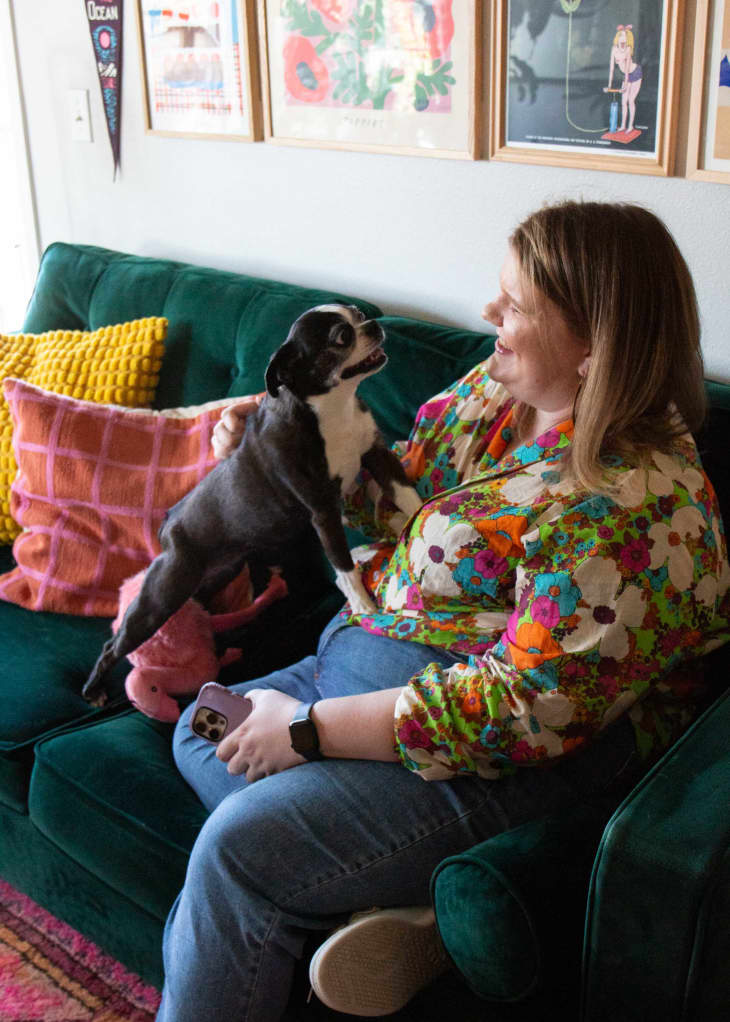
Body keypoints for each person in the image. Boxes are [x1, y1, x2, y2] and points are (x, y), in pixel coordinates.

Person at [156, 201, 729, 1022]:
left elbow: (527, 708)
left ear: (596, 343)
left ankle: (339, 868)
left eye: (518, 304)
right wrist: (284, 441)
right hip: (370, 649)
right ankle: (391, 896)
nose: (490, 313)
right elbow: (395, 495)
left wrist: (312, 732)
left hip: (503, 743)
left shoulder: (630, 502)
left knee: (241, 851)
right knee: (201, 730)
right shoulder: (500, 391)